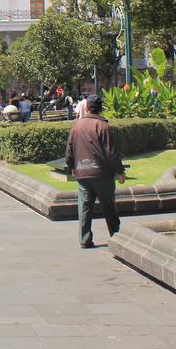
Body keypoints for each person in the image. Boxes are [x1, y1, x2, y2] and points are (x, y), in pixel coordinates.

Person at [64, 97, 126, 248]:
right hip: (101, 172)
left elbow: (69, 149)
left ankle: (84, 239)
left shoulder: (77, 125)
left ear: (87, 108)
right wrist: (120, 171)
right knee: (109, 206)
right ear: (101, 108)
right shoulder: (102, 125)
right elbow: (111, 152)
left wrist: (71, 166)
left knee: (84, 206)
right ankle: (116, 234)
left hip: (82, 172)